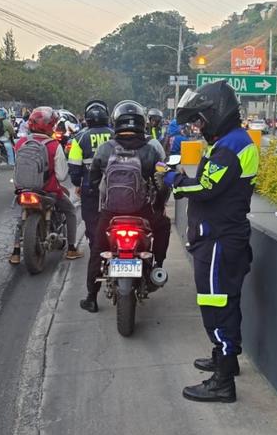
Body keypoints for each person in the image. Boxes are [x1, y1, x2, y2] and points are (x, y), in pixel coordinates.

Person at [160, 81, 257, 403]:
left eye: (200, 120)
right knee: (226, 303)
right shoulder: (231, 141)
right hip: (223, 237)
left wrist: (170, 178)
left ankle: (222, 383)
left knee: (216, 307)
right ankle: (224, 359)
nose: (198, 127)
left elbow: (204, 188)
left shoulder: (230, 146)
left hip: (218, 240)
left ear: (216, 113)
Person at [78, 100, 171, 313]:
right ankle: (157, 267)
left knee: (98, 248)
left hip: (111, 213)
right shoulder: (151, 150)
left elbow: (92, 181)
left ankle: (91, 297)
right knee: (164, 225)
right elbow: (163, 183)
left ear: (116, 122)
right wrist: (158, 206)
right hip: (142, 212)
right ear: (142, 123)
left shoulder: (105, 149)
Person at [9, 106, 83, 265]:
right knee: (70, 211)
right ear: (50, 126)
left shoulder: (21, 142)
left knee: (20, 216)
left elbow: (17, 169)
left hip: (24, 190)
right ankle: (71, 249)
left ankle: (15, 252)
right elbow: (62, 176)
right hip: (49, 192)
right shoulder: (54, 145)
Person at [68, 100, 114, 248]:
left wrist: (77, 184)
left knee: (92, 223)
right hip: (115, 187)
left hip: (90, 188)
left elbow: (74, 167)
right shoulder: (115, 135)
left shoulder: (79, 138)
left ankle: (96, 250)